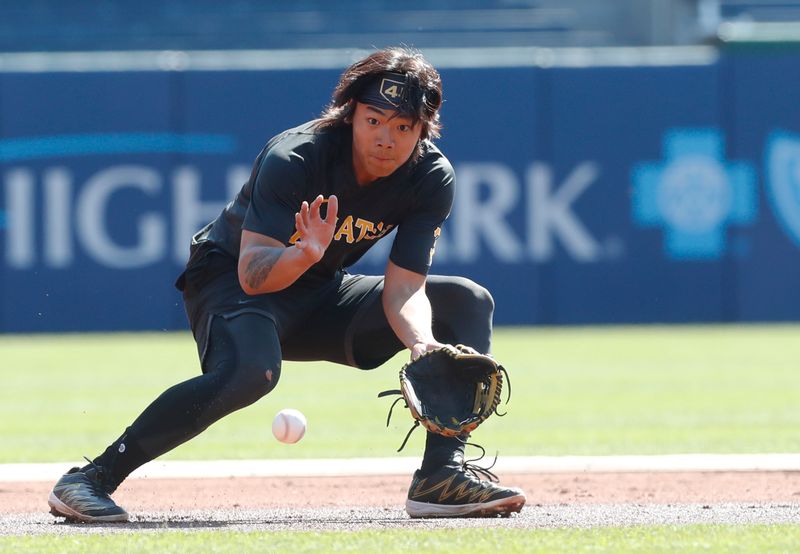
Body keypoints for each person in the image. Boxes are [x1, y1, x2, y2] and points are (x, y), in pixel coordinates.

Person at [47, 46, 527, 522]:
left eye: (404, 126)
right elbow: (253, 274)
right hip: (230, 280)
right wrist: (302, 253)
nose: (386, 137)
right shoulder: (296, 155)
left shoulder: (430, 176)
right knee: (253, 372)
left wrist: (423, 344)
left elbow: (404, 288)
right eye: (374, 119)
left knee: (466, 300)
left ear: (424, 129)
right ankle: (90, 479)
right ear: (350, 114)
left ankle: (441, 476)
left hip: (319, 288)